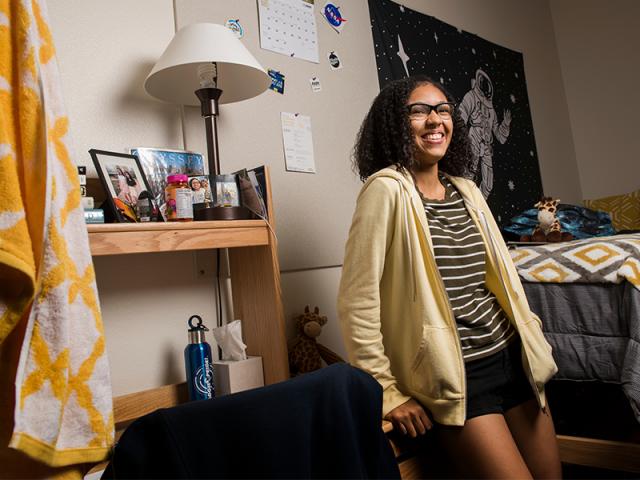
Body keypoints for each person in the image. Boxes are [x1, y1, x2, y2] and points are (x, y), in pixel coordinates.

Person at [337, 75, 561, 479]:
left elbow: (503, 281)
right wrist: (386, 392)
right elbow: (358, 303)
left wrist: (534, 339)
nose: (435, 120)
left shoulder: (468, 191)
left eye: (443, 110)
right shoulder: (385, 191)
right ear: (395, 123)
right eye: (419, 111)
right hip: (459, 377)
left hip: (512, 357)